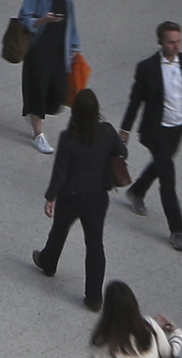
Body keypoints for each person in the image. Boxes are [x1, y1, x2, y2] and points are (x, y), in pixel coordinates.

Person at [119, 21, 182, 255]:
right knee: (168, 178)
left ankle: (137, 191)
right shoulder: (147, 68)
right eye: (171, 42)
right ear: (160, 42)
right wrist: (125, 129)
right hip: (155, 130)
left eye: (179, 41)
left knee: (162, 166)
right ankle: (177, 231)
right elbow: (135, 101)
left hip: (177, 128)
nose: (176, 46)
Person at [33, 88, 123, 310]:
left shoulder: (68, 138)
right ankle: (94, 297)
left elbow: (60, 173)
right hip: (97, 198)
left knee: (59, 229)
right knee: (94, 244)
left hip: (71, 196)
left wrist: (50, 197)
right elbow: (123, 152)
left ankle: (49, 262)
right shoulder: (108, 132)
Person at [16, 0, 80, 153]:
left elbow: (72, 23)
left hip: (59, 53)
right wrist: (42, 20)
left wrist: (75, 48)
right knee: (39, 92)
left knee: (57, 94)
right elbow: (24, 19)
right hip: (39, 52)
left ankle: (36, 115)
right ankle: (38, 134)